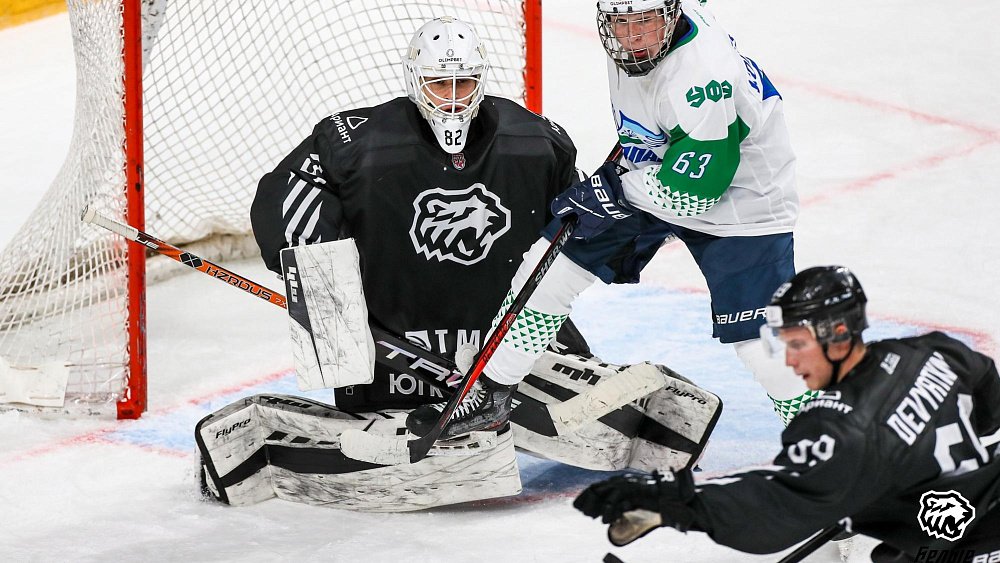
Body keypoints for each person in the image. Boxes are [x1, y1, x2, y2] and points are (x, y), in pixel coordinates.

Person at [407, 0, 809, 438]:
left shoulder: (701, 74)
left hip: (742, 199)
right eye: (621, 22)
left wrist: (611, 192)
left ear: (672, 15)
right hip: (655, 166)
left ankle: (823, 435)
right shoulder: (646, 34)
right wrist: (615, 188)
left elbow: (696, 191)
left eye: (646, 22)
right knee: (552, 261)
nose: (633, 36)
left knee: (762, 342)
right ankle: (492, 392)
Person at [251, 16, 586, 416]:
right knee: (324, 297)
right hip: (389, 351)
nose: (453, 98)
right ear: (415, 80)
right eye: (439, 83)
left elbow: (577, 223)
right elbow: (286, 195)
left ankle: (540, 364)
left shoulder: (537, 141)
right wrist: (319, 284)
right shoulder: (354, 141)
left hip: (504, 344)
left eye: (463, 83)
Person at [572, 266, 1000, 562]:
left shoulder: (841, 425)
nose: (789, 361)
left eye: (796, 344)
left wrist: (672, 500)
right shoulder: (932, 352)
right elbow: (987, 394)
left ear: (837, 333)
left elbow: (776, 507)